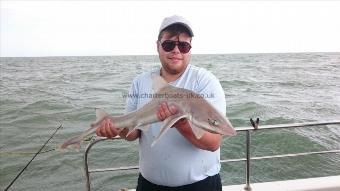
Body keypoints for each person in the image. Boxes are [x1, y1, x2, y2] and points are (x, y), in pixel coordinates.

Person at [96, 15, 227, 191]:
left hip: (200, 185)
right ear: (158, 46)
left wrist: (181, 124)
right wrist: (117, 130)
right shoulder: (141, 82)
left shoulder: (205, 82)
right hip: (148, 185)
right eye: (168, 44)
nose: (176, 51)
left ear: (190, 49)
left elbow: (213, 143)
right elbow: (133, 134)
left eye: (183, 45)